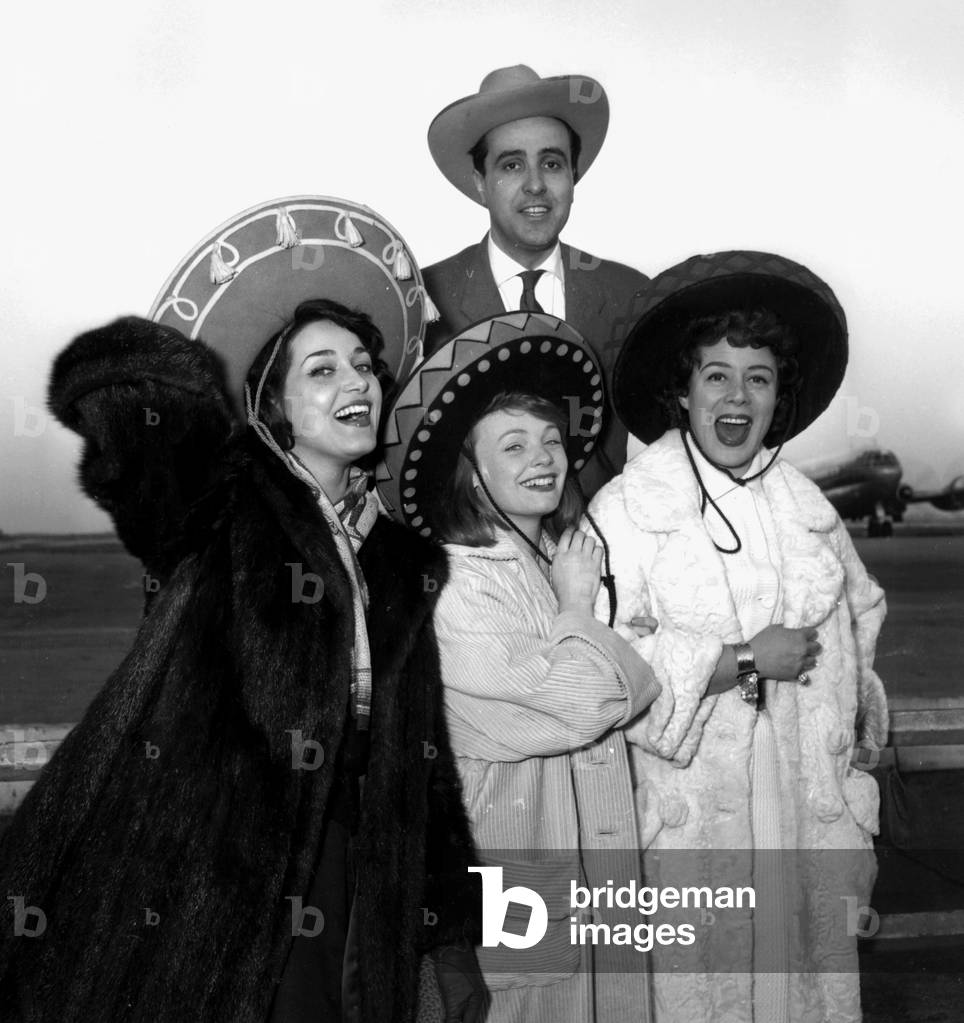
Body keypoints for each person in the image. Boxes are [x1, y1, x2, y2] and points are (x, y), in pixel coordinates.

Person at [0, 197, 485, 1023]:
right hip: (221, 872)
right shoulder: (224, 505)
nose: (356, 382)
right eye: (321, 370)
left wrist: (449, 934)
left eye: (364, 365)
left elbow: (423, 760)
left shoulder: (402, 560)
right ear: (275, 406)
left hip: (361, 865)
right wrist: (162, 379)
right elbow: (142, 456)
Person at [588, 251, 889, 1022]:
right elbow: (601, 670)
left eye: (758, 377)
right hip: (688, 833)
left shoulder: (807, 509)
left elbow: (862, 624)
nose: (736, 395)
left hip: (800, 821)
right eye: (716, 374)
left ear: (779, 396)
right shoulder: (627, 511)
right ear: (682, 390)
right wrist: (744, 661)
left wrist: (851, 769)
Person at [378, 312, 662, 1022]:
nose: (545, 458)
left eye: (551, 439)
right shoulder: (456, 582)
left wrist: (588, 627)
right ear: (471, 478)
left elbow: (626, 686)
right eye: (513, 445)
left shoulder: (556, 559)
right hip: (514, 868)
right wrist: (581, 613)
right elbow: (587, 703)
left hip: (589, 865)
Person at [422, 64, 649, 495]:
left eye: (551, 163)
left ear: (573, 175)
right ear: (480, 183)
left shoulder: (630, 294)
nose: (535, 185)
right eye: (511, 165)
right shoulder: (426, 300)